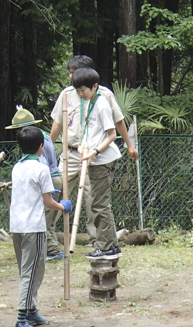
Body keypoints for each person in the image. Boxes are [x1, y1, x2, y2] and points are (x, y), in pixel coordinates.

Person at [49, 55, 138, 244]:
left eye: (73, 73)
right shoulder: (67, 94)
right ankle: (47, 237)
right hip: (71, 153)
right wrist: (48, 149)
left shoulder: (104, 95)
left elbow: (117, 122)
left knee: (93, 200)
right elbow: (57, 123)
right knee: (57, 192)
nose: (71, 77)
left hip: (95, 156)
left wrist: (130, 145)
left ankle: (98, 241)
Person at [10, 126, 72, 327]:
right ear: (41, 146)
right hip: (34, 228)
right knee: (34, 271)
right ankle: (21, 319)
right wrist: (63, 205)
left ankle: (32, 309)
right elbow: (48, 202)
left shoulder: (17, 167)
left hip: (16, 227)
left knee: (26, 270)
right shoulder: (42, 169)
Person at [70, 68, 122, 259]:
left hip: (103, 161)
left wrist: (95, 152)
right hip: (94, 160)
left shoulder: (101, 104)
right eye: (77, 91)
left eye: (83, 90)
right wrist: (84, 148)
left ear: (94, 86)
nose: (80, 94)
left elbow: (112, 135)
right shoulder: (91, 103)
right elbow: (91, 133)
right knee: (99, 204)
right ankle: (112, 246)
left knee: (99, 205)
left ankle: (106, 247)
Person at [5, 106, 64, 261]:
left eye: (18, 130)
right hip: (56, 177)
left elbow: (40, 165)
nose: (17, 134)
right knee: (49, 220)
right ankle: (52, 249)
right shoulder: (43, 135)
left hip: (49, 178)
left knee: (43, 219)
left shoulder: (35, 141)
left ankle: (54, 251)